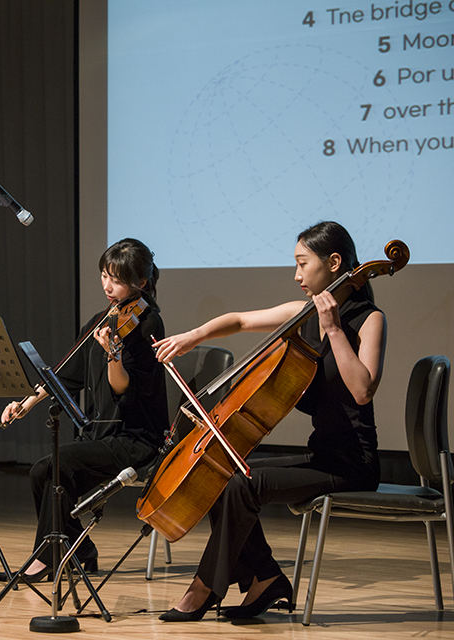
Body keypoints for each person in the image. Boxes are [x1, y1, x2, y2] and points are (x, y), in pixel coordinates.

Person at [151, 220, 385, 621]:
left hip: (353, 464)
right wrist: (193, 336)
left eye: (302, 264)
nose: (296, 275)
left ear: (334, 263)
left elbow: (362, 389)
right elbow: (240, 320)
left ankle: (205, 587)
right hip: (321, 455)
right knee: (223, 473)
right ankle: (264, 577)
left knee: (244, 485)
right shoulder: (302, 313)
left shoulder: (369, 319)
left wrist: (334, 330)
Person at [0, 238, 169, 582]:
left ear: (141, 283)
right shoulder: (100, 321)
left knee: (58, 466)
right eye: (105, 275)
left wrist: (113, 356)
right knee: (41, 471)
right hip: (100, 432)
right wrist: (25, 404)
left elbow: (125, 390)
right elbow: (66, 377)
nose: (108, 286)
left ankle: (48, 556)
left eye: (118, 280)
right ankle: (79, 546)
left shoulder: (148, 324)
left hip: (136, 437)